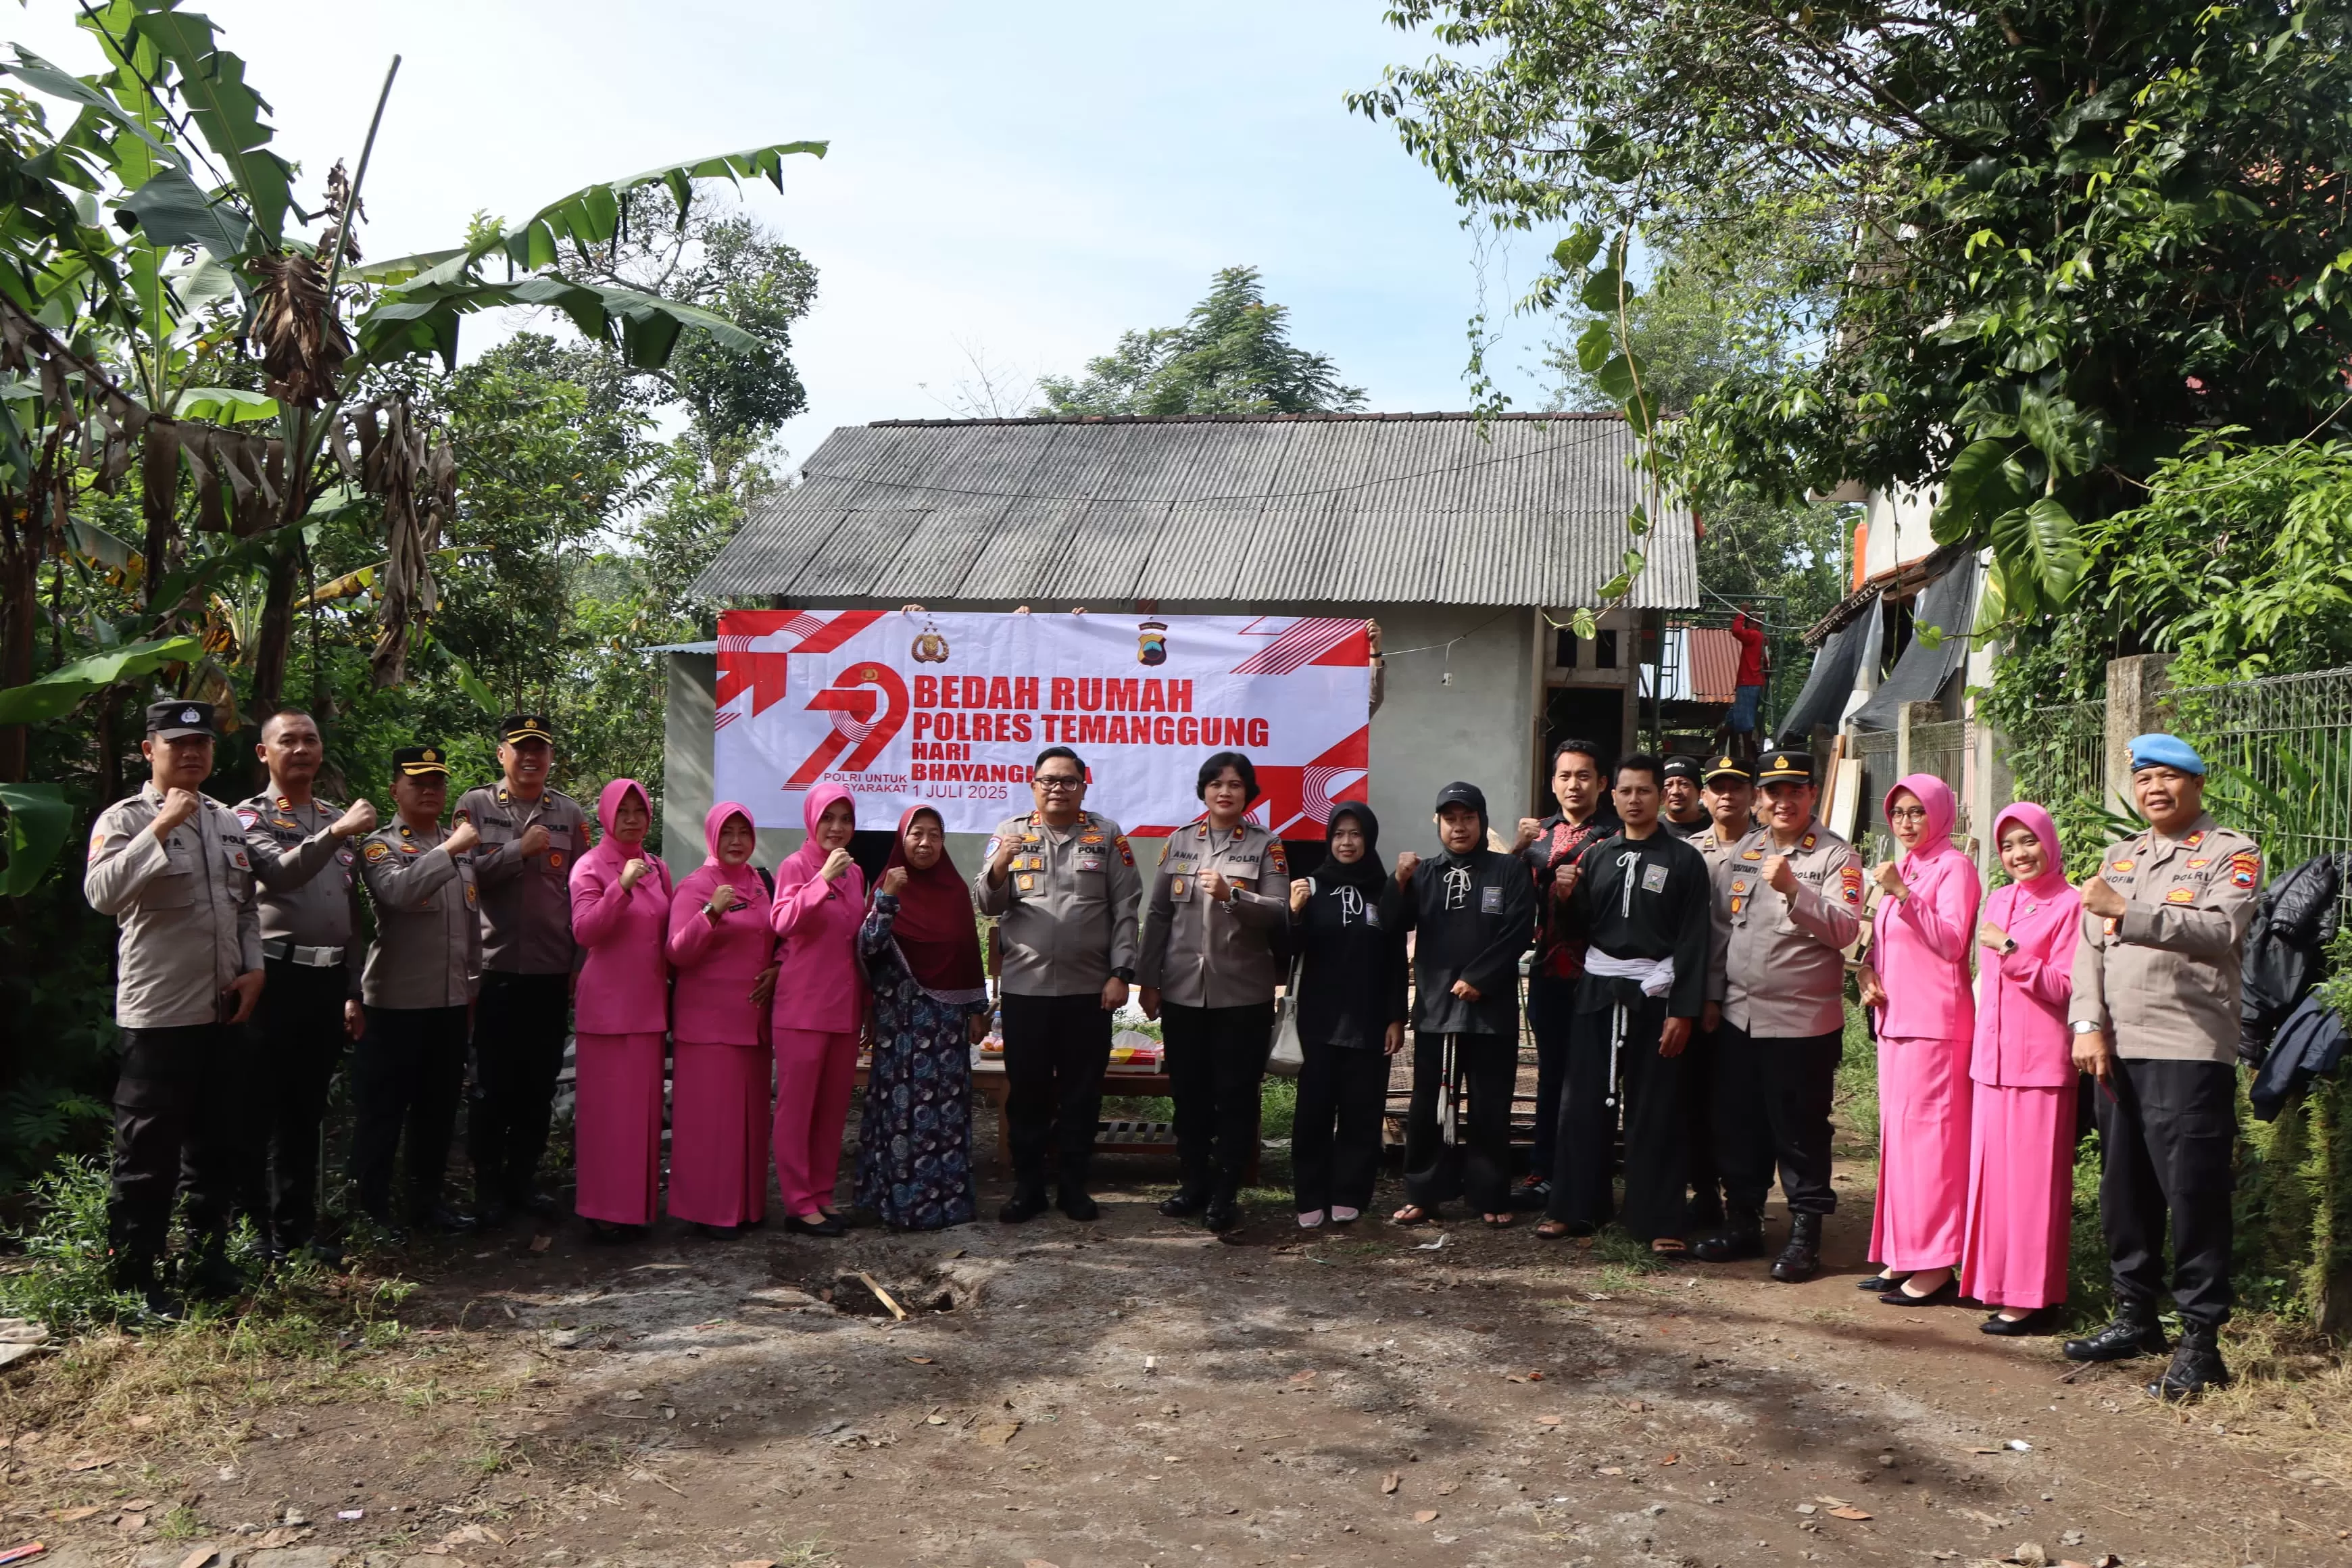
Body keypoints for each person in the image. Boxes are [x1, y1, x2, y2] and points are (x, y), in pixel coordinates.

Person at [2064, 734, 2261, 1398]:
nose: (2154, 788)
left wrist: (2133, 912)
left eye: (2169, 777)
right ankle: (2135, 1316)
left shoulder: (2230, 853)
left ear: (2196, 785)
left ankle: (2202, 1342)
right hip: (2116, 1048)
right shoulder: (2121, 856)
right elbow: (2086, 949)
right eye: (2144, 777)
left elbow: (2219, 932)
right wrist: (2087, 1023)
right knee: (2126, 1193)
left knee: (2194, 1196)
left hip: (2188, 1047)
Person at [84, 700, 266, 1309]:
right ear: (149, 750)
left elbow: (243, 907)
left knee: (216, 1148)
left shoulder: (226, 821)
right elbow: (102, 895)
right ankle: (136, 1280)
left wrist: (254, 968)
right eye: (176, 744)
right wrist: (161, 826)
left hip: (222, 1010)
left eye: (202, 745)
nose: (191, 754)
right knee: (147, 1155)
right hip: (159, 1016)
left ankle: (206, 1262)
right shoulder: (123, 817)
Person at [1693, 749, 1863, 1281]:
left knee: (1800, 1130)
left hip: (1801, 1026)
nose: (1783, 801)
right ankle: (1745, 1221)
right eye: (1773, 792)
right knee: (1738, 1125)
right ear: (1759, 798)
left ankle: (1805, 1234)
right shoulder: (1745, 851)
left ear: (1812, 794)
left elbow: (1845, 930)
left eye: (1795, 791)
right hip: (1740, 1017)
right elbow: (1722, 933)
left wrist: (1795, 889)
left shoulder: (1838, 856)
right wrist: (1713, 999)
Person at [1539, 756, 1713, 1250]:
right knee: (1583, 1102)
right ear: (1611, 795)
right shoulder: (1597, 856)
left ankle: (1658, 1219)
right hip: (1598, 991)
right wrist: (1566, 898)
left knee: (1656, 1106)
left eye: (1644, 791)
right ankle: (1576, 1208)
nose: (1634, 800)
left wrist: (1683, 1009)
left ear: (1660, 796)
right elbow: (1580, 933)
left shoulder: (1683, 860)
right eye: (1626, 791)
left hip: (1656, 993)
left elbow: (1695, 940)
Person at [975, 747, 1144, 1223]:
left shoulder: (1107, 835)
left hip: (1089, 992)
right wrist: (1000, 867)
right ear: (1033, 785)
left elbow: (1126, 908)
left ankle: (1073, 1187)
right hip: (1027, 992)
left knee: (1081, 1093)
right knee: (1027, 1093)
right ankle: (1028, 1188)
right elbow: (986, 902)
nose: (1057, 788)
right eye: (1048, 780)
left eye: (1068, 781)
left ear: (1083, 787)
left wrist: (1121, 974)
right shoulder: (1010, 834)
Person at [235, 708, 375, 1263]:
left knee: (304, 1110)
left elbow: (351, 910)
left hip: (326, 980)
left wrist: (353, 987)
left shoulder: (335, 815)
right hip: (273, 978)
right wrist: (337, 832)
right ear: (264, 754)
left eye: (310, 740)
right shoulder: (248, 817)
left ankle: (296, 1233)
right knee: (257, 1107)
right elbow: (280, 873)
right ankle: (252, 1232)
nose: (301, 749)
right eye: (287, 741)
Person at [1138, 752, 1297, 1231]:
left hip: (1242, 994)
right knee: (1188, 1094)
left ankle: (1227, 1192)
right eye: (1215, 784)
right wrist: (1148, 980)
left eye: (1235, 784)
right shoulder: (1180, 842)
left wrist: (1235, 896)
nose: (1224, 792)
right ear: (1203, 791)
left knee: (1235, 1094)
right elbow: (1159, 915)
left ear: (1248, 794)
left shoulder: (1267, 847)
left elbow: (1279, 911)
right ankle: (1193, 1184)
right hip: (1184, 990)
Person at [1853, 774, 1982, 1305]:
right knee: (1902, 1145)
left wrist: (1903, 894)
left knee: (1933, 1146)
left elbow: (1952, 943)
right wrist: (1866, 971)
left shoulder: (1954, 868)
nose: (1907, 823)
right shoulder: (1906, 866)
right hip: (1898, 1023)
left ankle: (1935, 1263)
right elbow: (1885, 939)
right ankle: (1904, 1251)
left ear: (1940, 814)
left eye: (1917, 813)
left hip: (1936, 1025)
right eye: (1899, 813)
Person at [458, 714, 590, 1227]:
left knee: (537, 1084)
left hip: (550, 971)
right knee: (492, 1083)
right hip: (494, 970)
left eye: (540, 749)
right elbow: (464, 872)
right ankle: (487, 1186)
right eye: (521, 748)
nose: (531, 757)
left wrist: (578, 964)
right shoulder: (475, 807)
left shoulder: (569, 813)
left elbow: (582, 892)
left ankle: (523, 1181)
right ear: (502, 755)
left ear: (550, 756)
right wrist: (519, 850)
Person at [1390, 782, 1537, 1227]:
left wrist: (1479, 978)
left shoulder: (1508, 871)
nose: (1459, 827)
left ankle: (1490, 1196)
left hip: (1490, 1011)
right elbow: (1391, 925)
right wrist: (1397, 882)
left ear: (1481, 821)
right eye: (1450, 819)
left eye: (1467, 818)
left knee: (1491, 1105)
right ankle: (1423, 1193)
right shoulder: (1424, 874)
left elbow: (1519, 930)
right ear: (1439, 824)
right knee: (1426, 1106)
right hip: (1436, 1009)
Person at [1961, 802, 2082, 1335]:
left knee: (2035, 1188)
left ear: (2049, 843)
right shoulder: (2001, 898)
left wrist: (2011, 951)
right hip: (1993, 1061)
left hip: (2040, 1065)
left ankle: (2036, 1298)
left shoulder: (2072, 904)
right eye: (2008, 846)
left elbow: (2067, 988)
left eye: (2028, 842)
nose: (2018, 855)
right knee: (1995, 1182)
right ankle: (1997, 1284)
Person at [352, 746, 482, 1240]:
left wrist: (472, 988)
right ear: (395, 790)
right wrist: (446, 852)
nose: (430, 790)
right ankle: (372, 1212)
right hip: (395, 1005)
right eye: (418, 782)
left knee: (438, 1110)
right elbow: (399, 894)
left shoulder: (459, 844)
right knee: (384, 1112)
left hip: (449, 1003)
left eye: (437, 782)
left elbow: (471, 927)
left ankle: (426, 1205)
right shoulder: (380, 846)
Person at [857, 806, 990, 1230]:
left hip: (946, 1025)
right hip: (899, 1022)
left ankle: (947, 1205)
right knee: (900, 1113)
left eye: (935, 835)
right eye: (917, 834)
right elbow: (866, 949)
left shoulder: (953, 891)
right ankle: (898, 1204)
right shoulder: (886, 885)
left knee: (945, 1113)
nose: (926, 843)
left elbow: (970, 953)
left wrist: (975, 1011)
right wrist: (887, 902)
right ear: (902, 838)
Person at [1285, 801, 1406, 1229]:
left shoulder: (1384, 889)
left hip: (1370, 1022)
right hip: (1319, 1021)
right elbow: (1289, 951)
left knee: (1361, 1113)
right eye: (1339, 834)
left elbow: (1395, 959)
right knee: (1313, 1113)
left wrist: (1396, 1017)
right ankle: (1310, 1195)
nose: (1347, 842)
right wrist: (1295, 913)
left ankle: (1350, 1192)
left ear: (1369, 838)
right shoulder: (1311, 886)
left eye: (1355, 834)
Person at [665, 802, 779, 1238]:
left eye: (743, 832)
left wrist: (780, 967)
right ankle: (710, 1211)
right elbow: (677, 952)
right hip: (709, 1024)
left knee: (748, 1121)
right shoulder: (696, 886)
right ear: (712, 836)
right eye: (727, 832)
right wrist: (711, 913)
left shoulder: (760, 883)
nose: (736, 841)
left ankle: (746, 1206)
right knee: (712, 1122)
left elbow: (777, 935)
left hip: (752, 1021)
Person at [1513, 739, 1619, 1205]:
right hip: (1548, 973)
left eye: (1583, 776)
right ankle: (1543, 1168)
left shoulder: (1618, 837)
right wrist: (1515, 850)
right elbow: (1511, 900)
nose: (1573, 785)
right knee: (1552, 1072)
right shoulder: (1537, 837)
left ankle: (1589, 1172)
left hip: (1598, 974)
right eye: (1564, 776)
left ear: (1602, 783)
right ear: (1553, 784)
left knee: (1597, 1078)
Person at [568, 779, 672, 1242]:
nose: (632, 818)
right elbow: (586, 932)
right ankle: (602, 1209)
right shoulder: (591, 866)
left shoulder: (658, 867)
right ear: (607, 815)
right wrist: (621, 888)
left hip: (648, 1007)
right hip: (607, 1010)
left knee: (642, 1116)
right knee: (607, 1116)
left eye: (640, 810)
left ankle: (636, 1207)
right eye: (623, 810)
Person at [769, 783, 868, 1237]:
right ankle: (797, 1202)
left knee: (832, 1109)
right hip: (802, 1009)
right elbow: (783, 922)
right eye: (828, 818)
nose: (836, 828)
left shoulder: (857, 873)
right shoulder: (796, 866)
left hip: (844, 1009)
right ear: (812, 820)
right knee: (798, 1109)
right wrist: (821, 879)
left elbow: (858, 943)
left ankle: (823, 1195)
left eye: (845, 819)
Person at [1684, 755, 1756, 1233]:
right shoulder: (1689, 853)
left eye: (1736, 788)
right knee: (1696, 1101)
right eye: (1717, 788)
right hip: (1697, 998)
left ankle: (1743, 1203)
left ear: (1752, 796)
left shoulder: (1769, 851)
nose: (1726, 796)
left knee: (1741, 1107)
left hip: (1750, 1001)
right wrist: (1703, 997)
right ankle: (1703, 1193)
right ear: (1704, 796)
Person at [1725, 607, 1767, 759]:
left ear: (1756, 625)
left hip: (1748, 682)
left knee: (1744, 720)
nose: (1747, 625)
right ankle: (1714, 748)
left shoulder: (1754, 635)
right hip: (1753, 681)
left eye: (1750, 622)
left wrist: (1741, 613)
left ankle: (1748, 754)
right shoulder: (1760, 639)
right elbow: (1766, 661)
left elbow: (1736, 631)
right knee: (1733, 719)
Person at [1660, 755, 1709, 838]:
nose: (1676, 791)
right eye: (1668, 785)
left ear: (1699, 792)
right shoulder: (1651, 830)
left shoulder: (1715, 829)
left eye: (1684, 784)